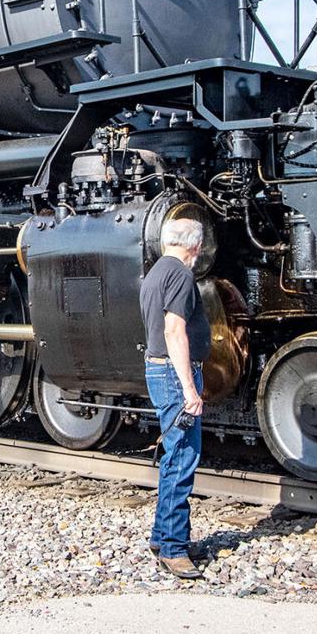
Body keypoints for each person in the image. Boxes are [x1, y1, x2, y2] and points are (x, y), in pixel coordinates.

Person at [139, 217, 210, 580]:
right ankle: (173, 549)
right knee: (181, 458)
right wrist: (189, 388)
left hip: (159, 369)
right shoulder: (181, 275)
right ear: (194, 246)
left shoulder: (155, 273)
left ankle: (160, 537)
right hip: (173, 372)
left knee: (175, 456)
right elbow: (173, 329)